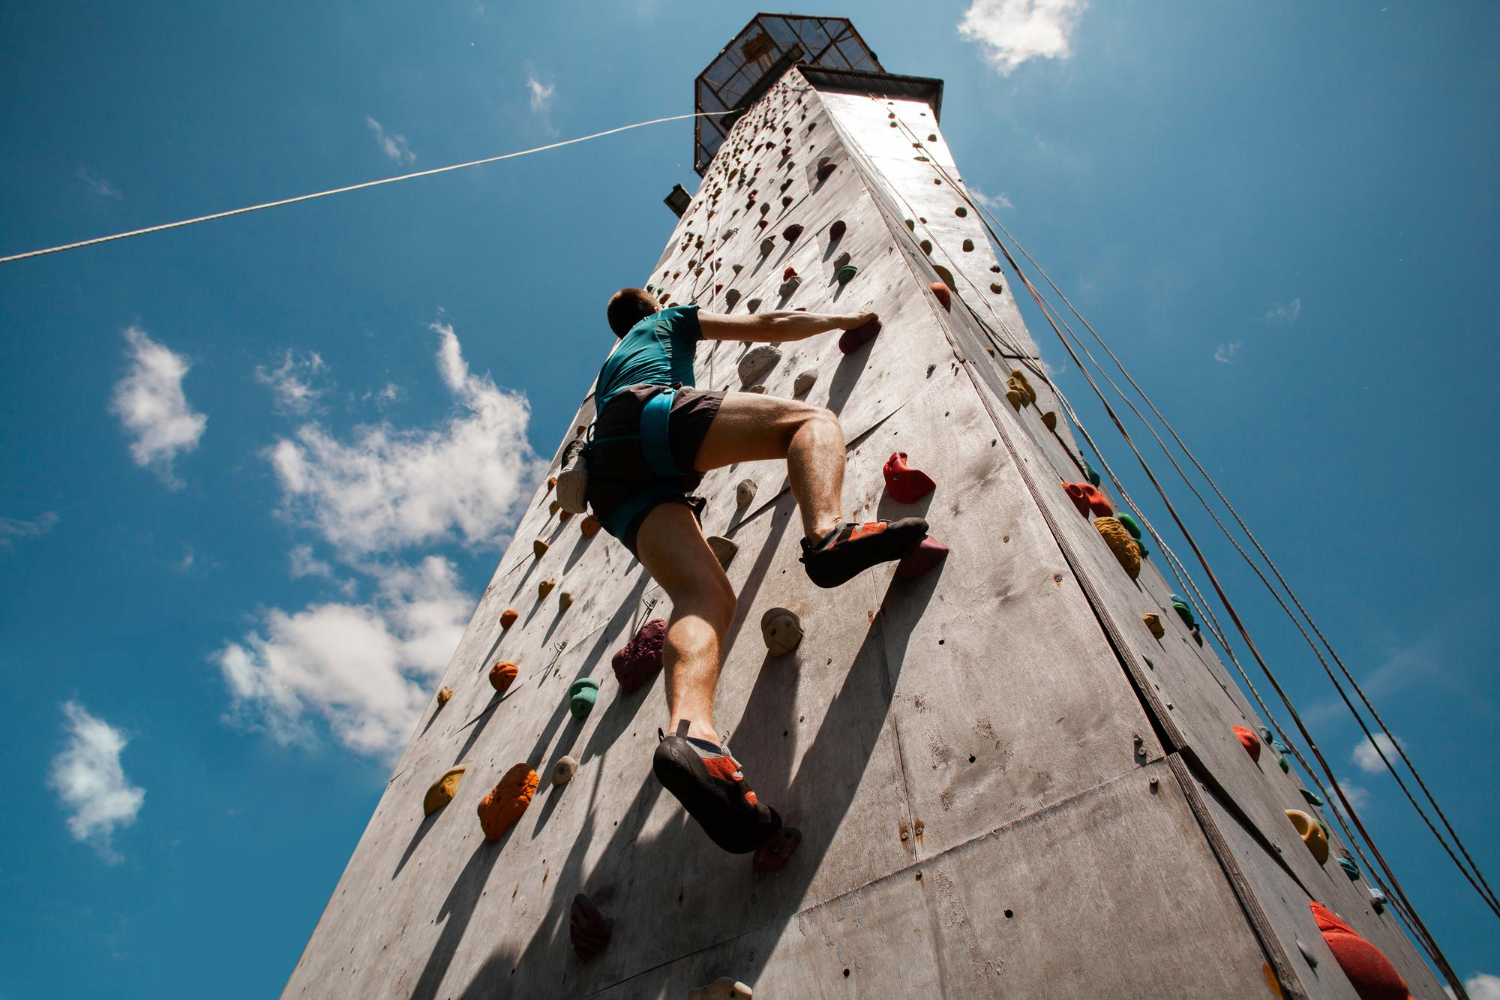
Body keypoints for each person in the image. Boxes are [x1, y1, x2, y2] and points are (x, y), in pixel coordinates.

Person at [579, 288, 928, 862]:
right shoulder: (668, 322)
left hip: (608, 483)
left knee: (702, 597)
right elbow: (770, 320)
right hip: (650, 418)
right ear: (651, 307)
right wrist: (845, 317)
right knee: (808, 422)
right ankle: (828, 535)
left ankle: (694, 737)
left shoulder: (611, 363)